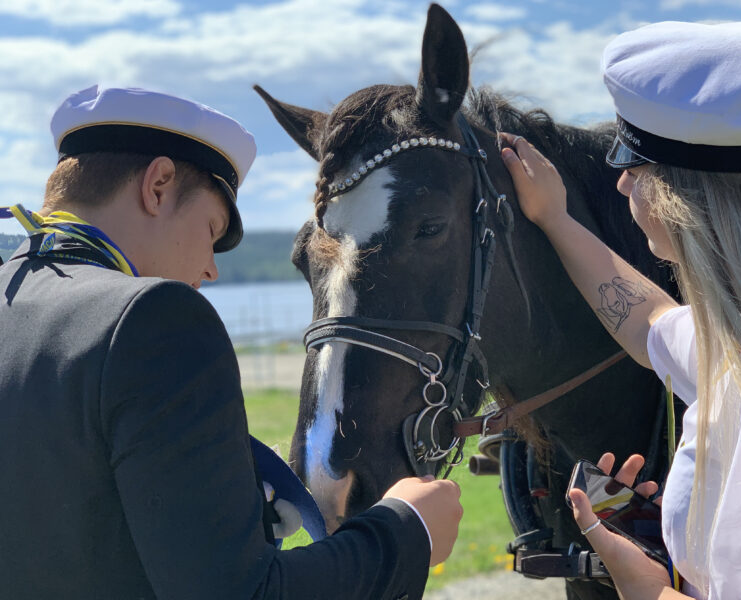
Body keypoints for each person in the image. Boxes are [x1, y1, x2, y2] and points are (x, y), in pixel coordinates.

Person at [0, 85, 462, 600]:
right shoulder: (154, 317)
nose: (210, 269)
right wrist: (406, 531)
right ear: (158, 185)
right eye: (211, 227)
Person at [500, 21, 741, 600]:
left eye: (633, 169)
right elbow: (650, 323)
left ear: (692, 205)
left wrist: (649, 588)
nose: (620, 189)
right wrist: (557, 218)